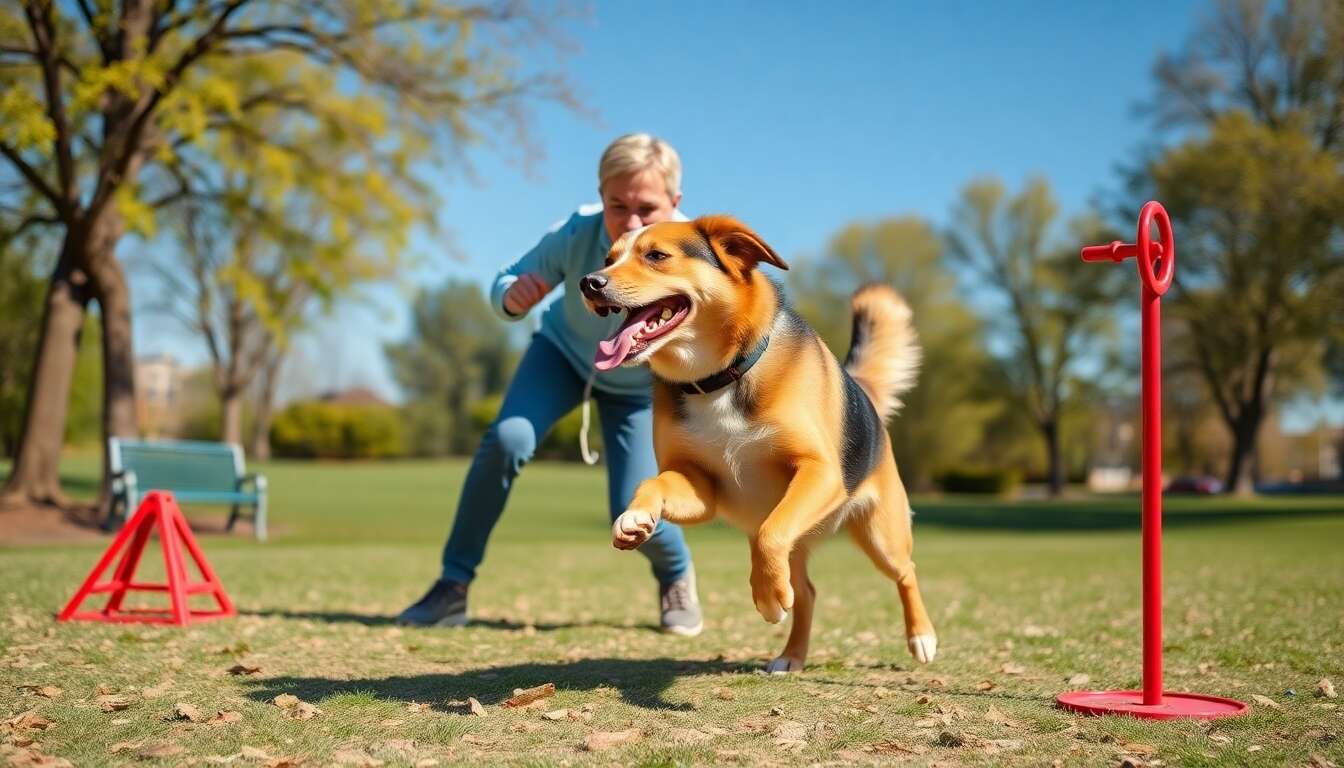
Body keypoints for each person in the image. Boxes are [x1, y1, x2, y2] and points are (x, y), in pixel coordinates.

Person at [396, 134, 703, 635]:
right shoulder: (576, 234)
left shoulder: (695, 251)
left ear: (676, 203)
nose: (629, 222)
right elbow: (506, 279)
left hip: (641, 389)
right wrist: (512, 298)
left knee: (635, 506)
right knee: (507, 439)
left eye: (647, 209)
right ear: (601, 197)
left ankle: (674, 575)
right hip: (561, 357)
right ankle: (452, 586)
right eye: (616, 206)